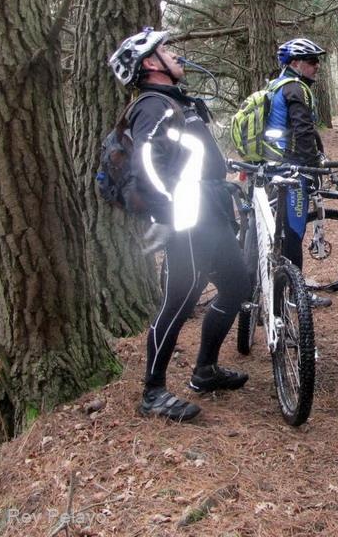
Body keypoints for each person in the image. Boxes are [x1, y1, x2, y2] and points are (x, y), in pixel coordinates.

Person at [108, 28, 252, 422]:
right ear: (150, 63)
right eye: (165, 50)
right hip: (188, 216)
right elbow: (147, 165)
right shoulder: (152, 105)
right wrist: (167, 212)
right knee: (180, 300)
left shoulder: (174, 101)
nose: (175, 55)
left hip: (210, 211)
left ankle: (205, 370)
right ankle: (153, 392)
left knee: (237, 285)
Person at [264, 37, 332, 307]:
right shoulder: (296, 89)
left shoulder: (276, 85)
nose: (317, 65)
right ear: (295, 63)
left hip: (271, 165)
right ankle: (296, 293)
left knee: (275, 231)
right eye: (311, 61)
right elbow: (303, 132)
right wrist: (314, 168)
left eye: (318, 60)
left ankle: (271, 289)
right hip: (292, 169)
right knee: (294, 232)